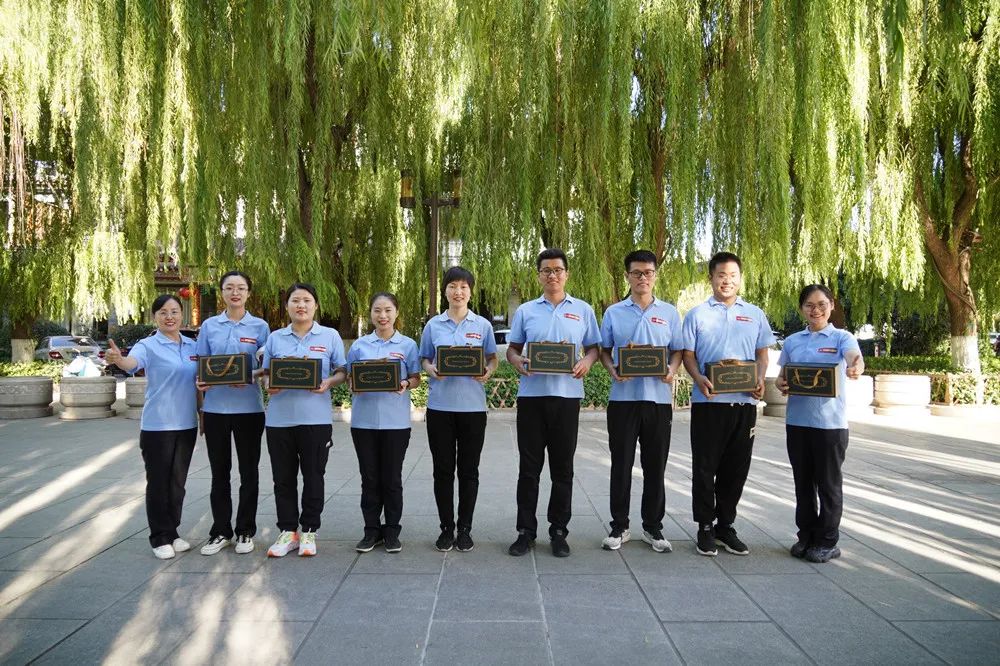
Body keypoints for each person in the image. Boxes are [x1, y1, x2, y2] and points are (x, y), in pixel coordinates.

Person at [506, 248, 601, 558]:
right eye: (546, 270)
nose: (552, 275)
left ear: (566, 274)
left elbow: (594, 349)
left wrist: (586, 361)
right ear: (539, 276)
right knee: (529, 469)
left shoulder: (583, 310)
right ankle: (525, 531)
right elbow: (513, 349)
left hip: (567, 399)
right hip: (532, 399)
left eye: (558, 270)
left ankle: (559, 531)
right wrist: (517, 361)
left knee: (563, 469)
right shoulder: (526, 311)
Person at [681, 252, 775, 557]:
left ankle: (726, 525)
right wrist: (698, 378)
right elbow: (688, 355)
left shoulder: (755, 314)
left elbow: (762, 354)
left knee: (736, 468)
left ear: (740, 278)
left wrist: (759, 378)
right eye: (721, 275)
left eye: (733, 275)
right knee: (705, 467)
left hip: (744, 404)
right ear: (711, 277)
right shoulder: (697, 315)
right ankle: (705, 526)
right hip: (709, 403)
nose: (727, 281)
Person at [598, 250, 683, 553]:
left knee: (655, 466)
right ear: (628, 276)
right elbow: (604, 350)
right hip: (623, 400)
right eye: (636, 273)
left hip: (658, 401)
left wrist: (672, 370)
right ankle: (619, 526)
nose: (642, 278)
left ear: (655, 275)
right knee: (621, 464)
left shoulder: (670, 313)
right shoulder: (614, 312)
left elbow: (678, 350)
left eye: (648, 272)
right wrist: (612, 370)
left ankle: (653, 526)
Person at [105, 295, 199, 560]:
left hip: (187, 424)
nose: (169, 317)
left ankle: (173, 532)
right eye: (163, 312)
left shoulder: (192, 346)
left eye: (174, 311)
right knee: (158, 483)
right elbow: (132, 364)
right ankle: (159, 537)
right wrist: (119, 359)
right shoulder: (147, 345)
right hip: (158, 426)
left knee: (177, 484)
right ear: (154, 316)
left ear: (182, 315)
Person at [775, 284, 864, 563]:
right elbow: (782, 376)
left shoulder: (842, 337)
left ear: (831, 306)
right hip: (797, 423)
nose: (816, 310)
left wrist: (856, 367)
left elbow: (854, 358)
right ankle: (806, 536)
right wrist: (781, 383)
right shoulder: (792, 341)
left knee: (828, 485)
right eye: (810, 305)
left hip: (830, 426)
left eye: (822, 304)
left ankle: (827, 541)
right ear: (802, 308)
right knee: (802, 484)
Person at [261, 283, 347, 558]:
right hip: (279, 421)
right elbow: (266, 373)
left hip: (315, 420)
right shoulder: (275, 338)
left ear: (315, 305)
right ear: (287, 306)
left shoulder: (330, 336)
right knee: (282, 478)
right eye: (295, 301)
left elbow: (342, 371)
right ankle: (288, 531)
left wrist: (328, 382)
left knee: (313, 476)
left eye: (306, 300)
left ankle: (309, 530)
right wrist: (268, 385)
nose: (301, 305)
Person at [419, 267, 499, 553]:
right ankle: (446, 528)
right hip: (440, 408)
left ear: (470, 291)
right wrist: (431, 369)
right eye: (453, 286)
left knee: (469, 471)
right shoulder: (433, 325)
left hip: (473, 409)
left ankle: (465, 529)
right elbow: (424, 358)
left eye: (464, 286)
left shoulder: (483, 325)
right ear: (445, 291)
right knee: (442, 471)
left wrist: (488, 371)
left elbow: (492, 358)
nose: (458, 292)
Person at [195, 271, 270, 556]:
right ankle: (220, 531)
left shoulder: (260, 326)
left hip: (249, 409)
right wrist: (200, 382)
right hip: (216, 409)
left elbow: (267, 366)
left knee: (249, 472)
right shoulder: (210, 326)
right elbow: (201, 363)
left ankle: (245, 531)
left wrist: (252, 375)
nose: (235, 292)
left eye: (240, 288)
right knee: (219, 473)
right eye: (229, 288)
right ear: (222, 292)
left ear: (248, 293)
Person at [347, 292, 422, 554]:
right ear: (370, 314)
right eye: (377, 310)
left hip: (396, 423)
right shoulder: (359, 346)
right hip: (363, 423)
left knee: (391, 478)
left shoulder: (408, 345)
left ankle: (391, 531)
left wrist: (405, 383)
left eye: (388, 310)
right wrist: (354, 384)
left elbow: (416, 378)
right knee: (369, 478)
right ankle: (371, 530)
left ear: (396, 313)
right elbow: (349, 377)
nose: (383, 316)